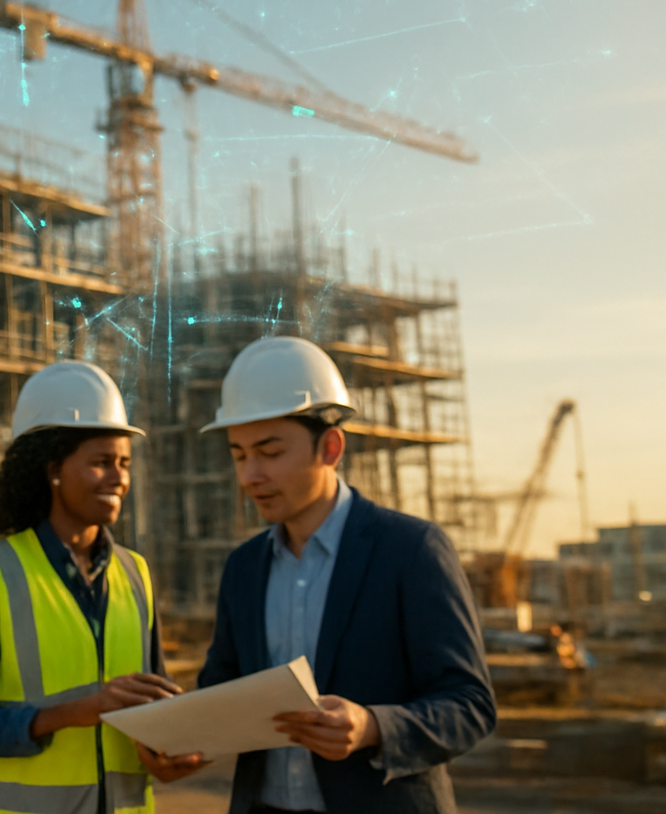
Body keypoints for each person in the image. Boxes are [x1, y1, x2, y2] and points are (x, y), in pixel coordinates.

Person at [146, 336, 495, 814]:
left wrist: (372, 725)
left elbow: (470, 703)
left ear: (330, 447)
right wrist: (186, 741)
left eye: (269, 452)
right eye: (239, 454)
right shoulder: (244, 568)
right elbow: (224, 690)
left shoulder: (411, 550)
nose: (251, 475)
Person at [0, 361, 198, 814]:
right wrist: (72, 713)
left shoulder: (136, 574)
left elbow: (156, 705)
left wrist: (169, 750)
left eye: (124, 463)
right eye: (101, 463)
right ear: (53, 468)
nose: (118, 477)